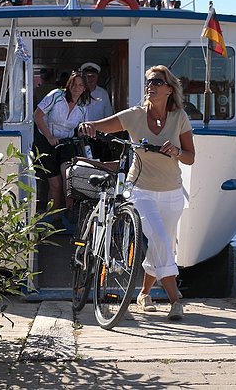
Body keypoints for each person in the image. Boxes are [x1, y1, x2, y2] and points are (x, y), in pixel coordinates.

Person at [78, 64, 195, 321]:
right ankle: (176, 301)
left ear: (169, 89)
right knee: (161, 241)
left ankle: (144, 294)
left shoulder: (179, 117)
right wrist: (89, 126)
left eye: (156, 82)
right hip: (140, 189)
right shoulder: (135, 115)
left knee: (161, 242)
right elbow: (101, 125)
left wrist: (176, 151)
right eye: (149, 82)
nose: (150, 86)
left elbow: (190, 157)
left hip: (172, 192)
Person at [33, 71, 91, 211]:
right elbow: (37, 116)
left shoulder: (83, 107)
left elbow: (83, 129)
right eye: (74, 84)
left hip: (66, 144)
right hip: (46, 142)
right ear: (68, 84)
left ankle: (70, 215)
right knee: (55, 185)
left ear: (84, 88)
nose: (76, 88)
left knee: (68, 181)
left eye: (80, 85)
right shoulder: (56, 95)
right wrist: (49, 137)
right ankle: (53, 220)